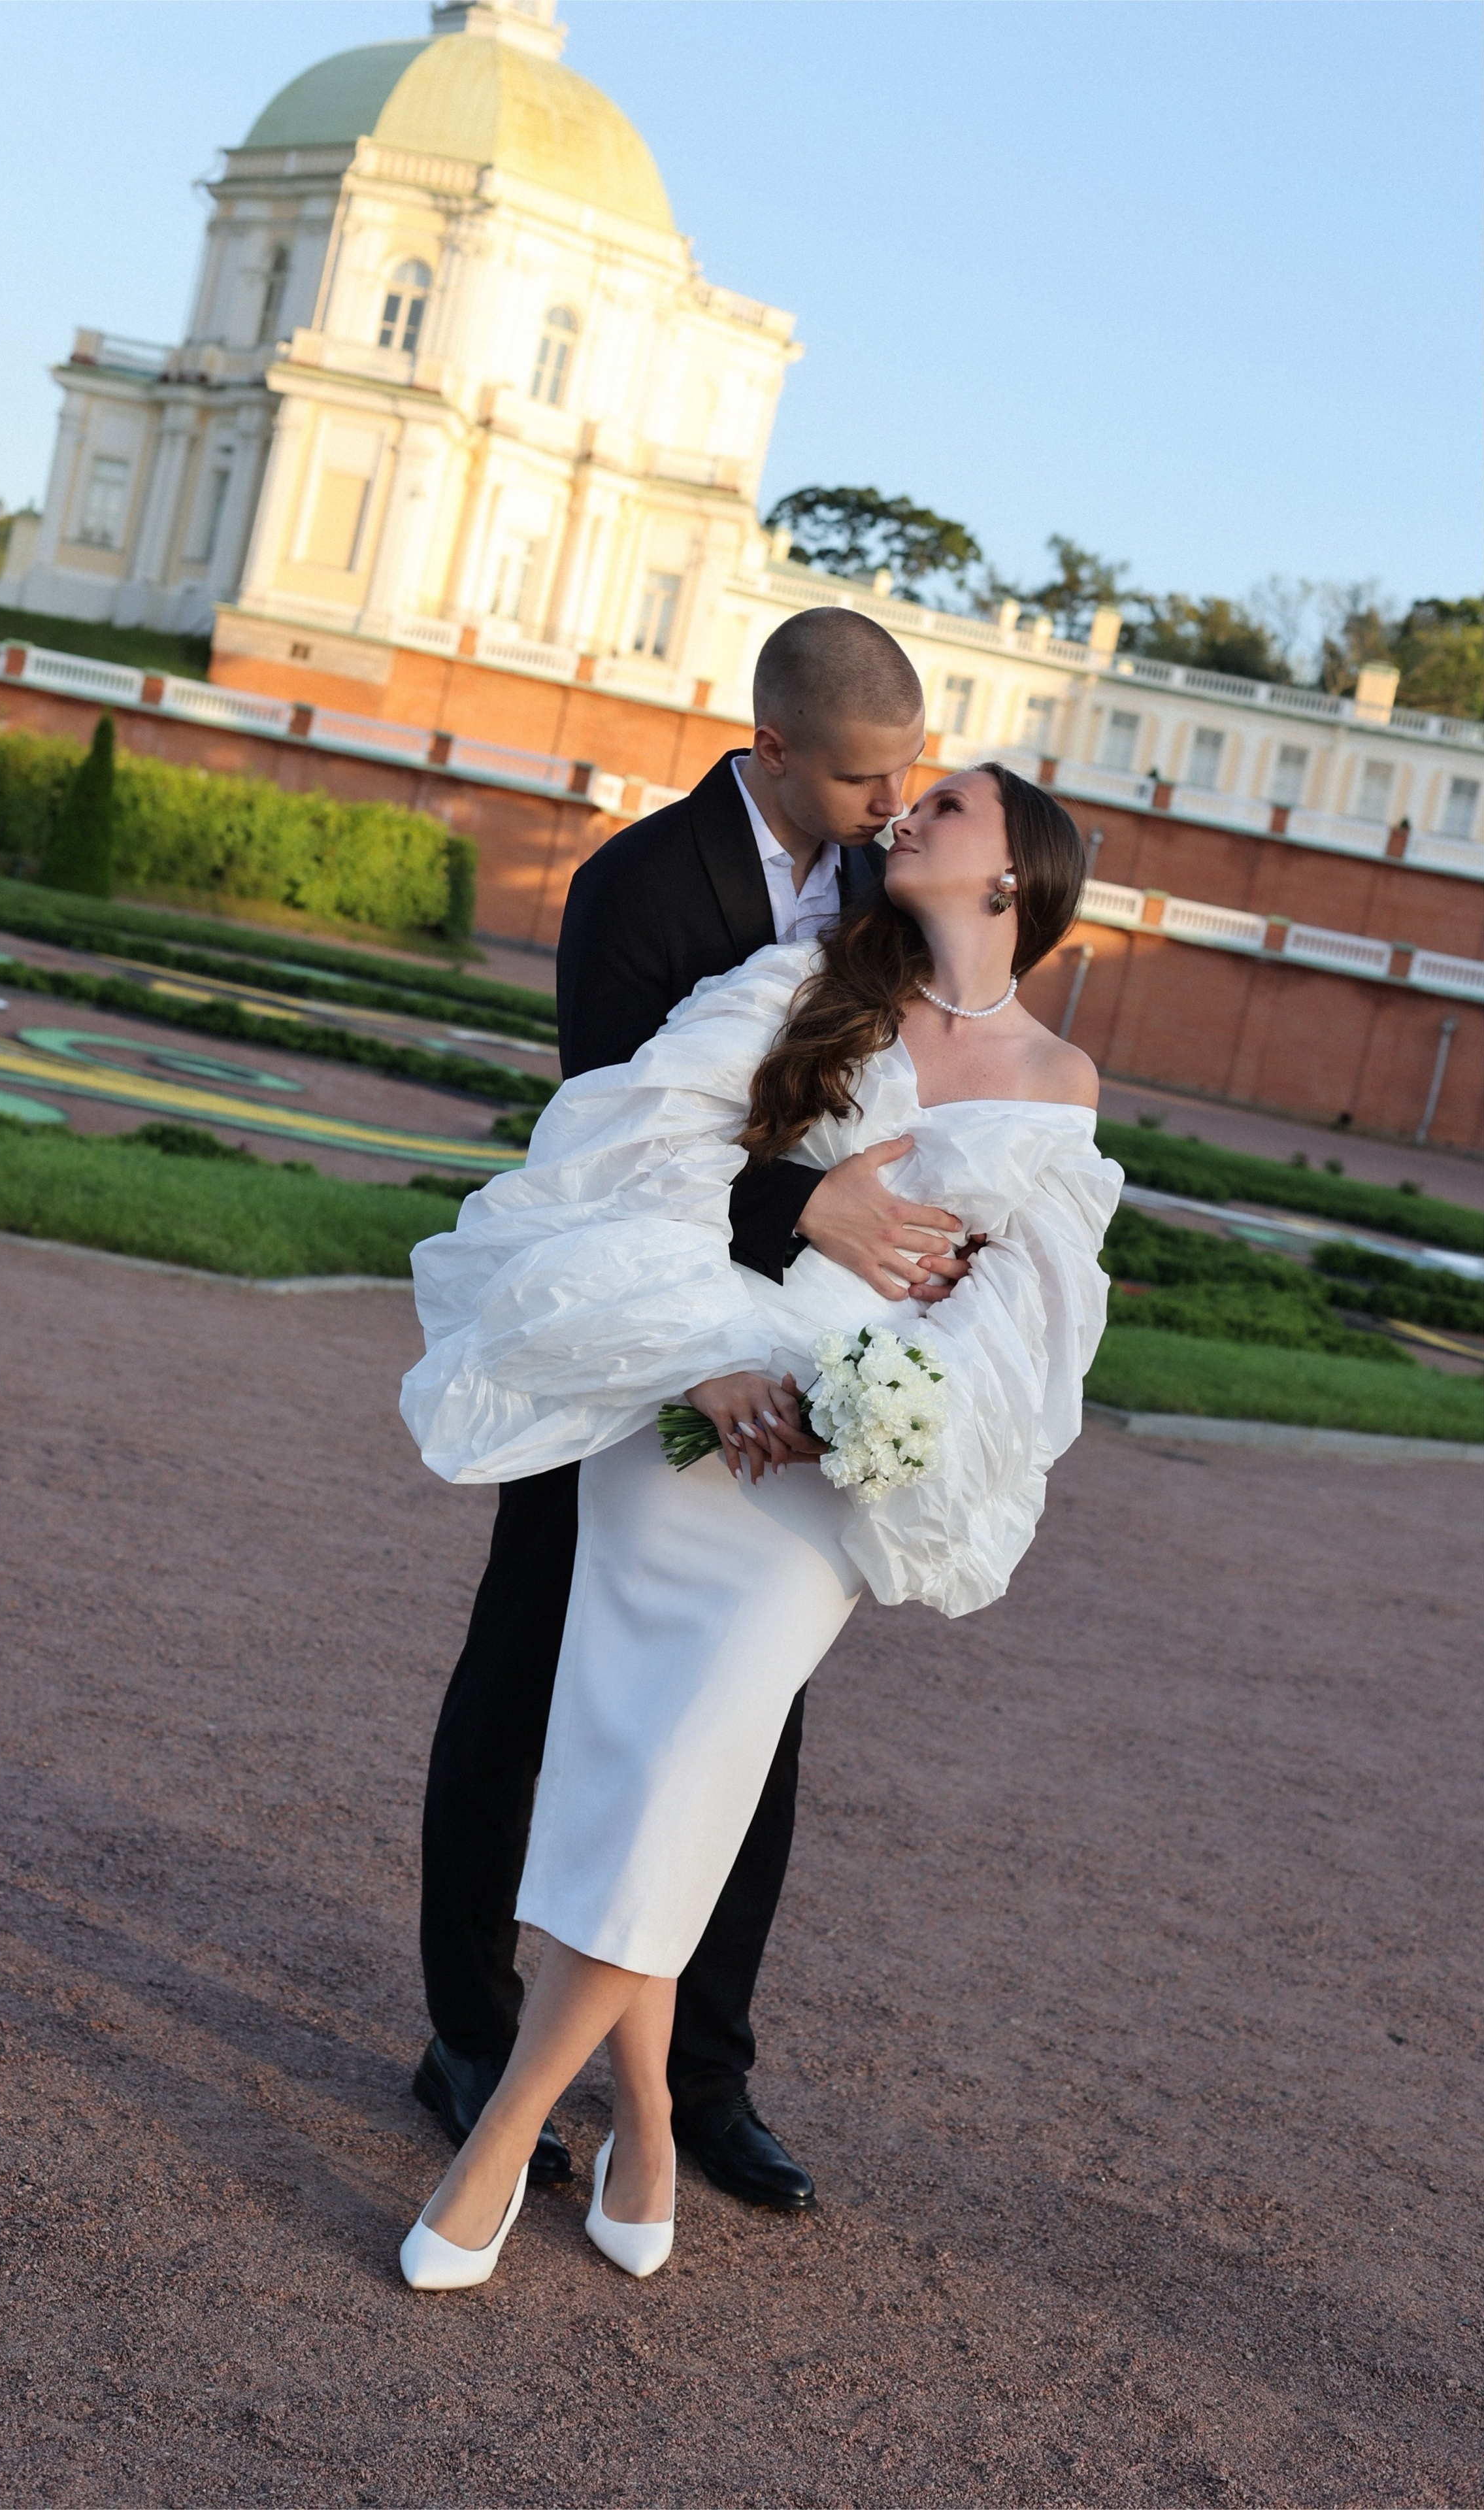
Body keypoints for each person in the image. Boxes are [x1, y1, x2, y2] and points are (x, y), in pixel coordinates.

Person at [397, 758, 1123, 2288]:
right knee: (637, 1771)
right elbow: (638, 1157)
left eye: (952, 809)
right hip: (692, 1410)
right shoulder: (804, 983)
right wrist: (710, 1358)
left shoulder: (1060, 1086)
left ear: (1011, 884)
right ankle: (646, 2119)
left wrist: (869, 1413)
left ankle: (508, 2132)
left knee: (688, 1769)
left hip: (825, 1471)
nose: (908, 813)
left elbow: (1020, 1324)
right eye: (909, 796)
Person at [413, 609, 979, 2213]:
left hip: (798, 1368)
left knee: (749, 1722)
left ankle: (706, 2084)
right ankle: (468, 2036)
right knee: (521, 1674)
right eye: (867, 774)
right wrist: (793, 1226)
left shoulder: (892, 889)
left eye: (910, 773)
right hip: (633, 1341)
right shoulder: (636, 888)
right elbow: (604, 1158)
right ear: (773, 746)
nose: (894, 802)